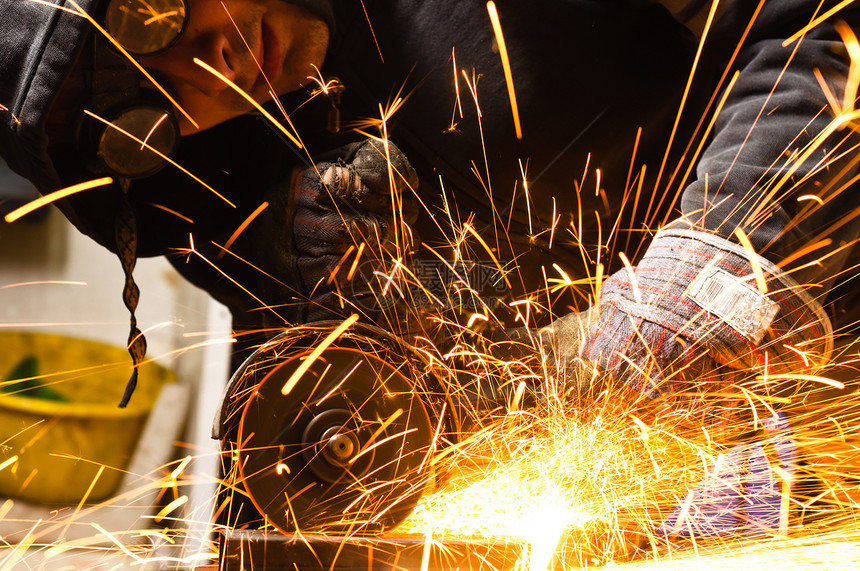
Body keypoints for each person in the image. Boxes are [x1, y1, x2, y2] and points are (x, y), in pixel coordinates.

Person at [2, 0, 859, 539]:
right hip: (770, 458)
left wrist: (721, 259)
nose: (210, 62)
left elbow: (825, 29)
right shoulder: (228, 186)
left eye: (162, 14)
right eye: (150, 91)